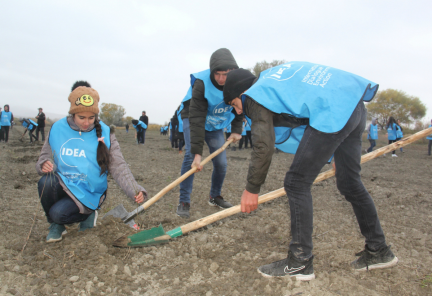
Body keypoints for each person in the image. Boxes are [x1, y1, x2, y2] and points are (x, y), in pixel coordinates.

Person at [223, 64, 398, 281]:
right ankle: (378, 250)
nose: (239, 111)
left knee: (296, 183)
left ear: (242, 92)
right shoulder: (274, 80)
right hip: (353, 105)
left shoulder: (254, 95)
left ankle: (300, 261)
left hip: (333, 111)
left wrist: (251, 188)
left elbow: (264, 147)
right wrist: (335, 154)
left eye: (234, 104)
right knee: (349, 182)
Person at [35, 81, 146, 243]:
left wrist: (135, 190)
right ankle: (55, 225)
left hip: (89, 191)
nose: (86, 123)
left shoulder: (106, 133)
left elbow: (119, 166)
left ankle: (88, 214)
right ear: (73, 113)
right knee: (45, 182)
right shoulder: (57, 128)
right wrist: (43, 164)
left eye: (91, 118)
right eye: (81, 118)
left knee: (59, 214)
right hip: (64, 184)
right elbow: (43, 157)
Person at [175, 48, 243, 218]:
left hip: (215, 124)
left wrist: (236, 130)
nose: (221, 79)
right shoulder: (202, 83)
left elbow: (241, 107)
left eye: (225, 74)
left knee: (221, 163)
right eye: (217, 74)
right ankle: (184, 200)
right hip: (193, 118)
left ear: (233, 71)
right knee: (191, 158)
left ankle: (214, 196)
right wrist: (197, 153)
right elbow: (197, 117)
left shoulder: (239, 82)